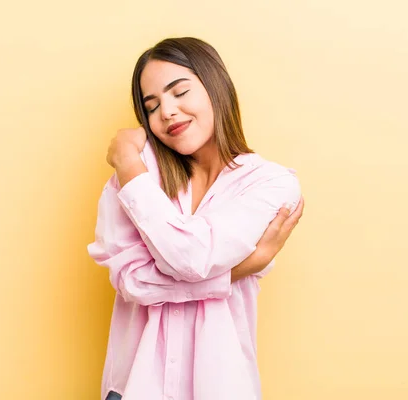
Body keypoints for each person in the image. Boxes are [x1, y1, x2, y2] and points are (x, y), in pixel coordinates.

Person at [87, 37, 304, 400]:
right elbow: (133, 283)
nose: (167, 112)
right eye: (151, 106)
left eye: (179, 92)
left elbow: (189, 256)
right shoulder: (140, 177)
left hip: (219, 386)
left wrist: (126, 161)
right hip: (133, 387)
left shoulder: (272, 183)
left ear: (215, 87)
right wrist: (237, 271)